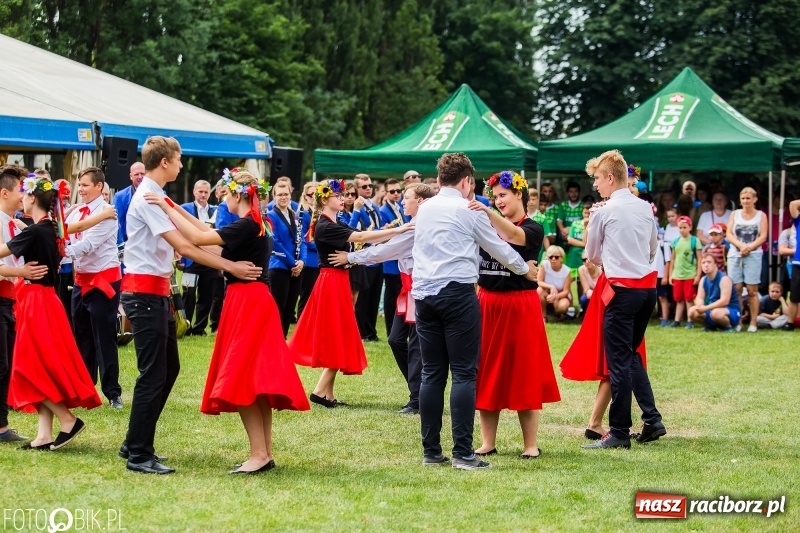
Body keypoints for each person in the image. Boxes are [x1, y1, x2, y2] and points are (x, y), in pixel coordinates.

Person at [145, 168, 309, 474]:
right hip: (255, 301)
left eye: (225, 194)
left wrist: (165, 206)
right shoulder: (257, 222)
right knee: (256, 380)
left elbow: (198, 238)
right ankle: (264, 452)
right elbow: (207, 235)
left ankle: (259, 454)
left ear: (237, 194)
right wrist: (174, 205)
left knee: (242, 377)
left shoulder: (246, 224)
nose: (222, 199)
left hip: (246, 302)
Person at [119, 137, 262, 475]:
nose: (182, 164)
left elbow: (193, 235)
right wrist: (231, 266)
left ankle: (134, 441)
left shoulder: (158, 194)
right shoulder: (148, 197)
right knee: (154, 373)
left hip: (155, 293)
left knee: (168, 369)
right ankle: (138, 453)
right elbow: (186, 245)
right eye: (179, 159)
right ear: (165, 162)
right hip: (144, 294)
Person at [411, 153, 537, 470]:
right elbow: (500, 248)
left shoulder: (425, 209)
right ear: (467, 181)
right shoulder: (469, 209)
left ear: (440, 179)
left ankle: (431, 451)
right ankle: (463, 453)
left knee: (432, 373)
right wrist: (525, 270)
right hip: (457, 295)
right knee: (465, 374)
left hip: (423, 295)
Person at [2, 174, 103, 450]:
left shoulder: (35, 231)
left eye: (24, 194)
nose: (21, 199)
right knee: (40, 364)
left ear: (32, 198)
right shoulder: (52, 228)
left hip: (35, 301)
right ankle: (44, 434)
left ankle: (67, 420)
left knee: (27, 366)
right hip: (46, 300)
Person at [289, 179, 411, 408]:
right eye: (338, 196)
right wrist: (400, 229)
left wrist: (390, 234)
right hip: (331, 282)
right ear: (325, 199)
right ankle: (319, 391)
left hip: (337, 280)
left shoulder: (335, 222)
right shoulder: (326, 225)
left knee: (340, 332)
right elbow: (361, 238)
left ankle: (327, 393)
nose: (343, 199)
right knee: (338, 333)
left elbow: (362, 235)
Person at [467, 171, 560, 460]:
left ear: (519, 194)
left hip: (520, 304)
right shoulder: (487, 224)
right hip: (488, 302)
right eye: (494, 197)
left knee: (524, 371)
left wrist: (486, 211)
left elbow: (513, 235)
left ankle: (530, 444)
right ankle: (487, 442)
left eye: (503, 195)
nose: (498, 201)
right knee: (486, 370)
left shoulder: (534, 228)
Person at [580, 149, 665, 450]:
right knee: (630, 356)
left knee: (618, 362)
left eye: (597, 179)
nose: (595, 185)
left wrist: (611, 259)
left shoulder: (602, 212)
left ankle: (618, 431)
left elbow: (592, 255)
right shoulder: (645, 208)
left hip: (621, 290)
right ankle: (652, 419)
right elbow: (652, 249)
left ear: (610, 178)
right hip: (647, 290)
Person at [328, 184, 436, 415]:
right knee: (396, 339)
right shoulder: (410, 224)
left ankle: (418, 398)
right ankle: (422, 389)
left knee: (416, 346)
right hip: (408, 291)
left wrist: (351, 257)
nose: (402, 201)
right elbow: (386, 245)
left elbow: (384, 252)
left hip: (420, 291)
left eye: (406, 197)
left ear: (420, 201)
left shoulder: (419, 227)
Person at [65, 167, 124, 409]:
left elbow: (88, 244)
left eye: (85, 185)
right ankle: (85, 388)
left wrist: (59, 252)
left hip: (103, 281)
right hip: (81, 281)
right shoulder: (76, 211)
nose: (81, 189)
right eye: (79, 185)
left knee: (104, 337)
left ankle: (112, 392)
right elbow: (63, 233)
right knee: (82, 336)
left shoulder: (108, 213)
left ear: (99, 186)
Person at [0, 166, 51, 444]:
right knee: (2, 364)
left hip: (9, 298)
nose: (23, 195)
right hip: (3, 295)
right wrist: (21, 272)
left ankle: (2, 425)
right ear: (4, 193)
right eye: (19, 190)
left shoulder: (15, 223)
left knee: (6, 364)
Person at [726, 187, 768, 333]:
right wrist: (740, 246)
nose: (745, 201)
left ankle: (753, 322)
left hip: (754, 255)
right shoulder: (735, 214)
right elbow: (729, 234)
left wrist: (748, 248)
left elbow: (763, 236)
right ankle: (738, 321)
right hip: (735, 255)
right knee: (736, 289)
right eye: (743, 198)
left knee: (752, 290)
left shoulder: (761, 215)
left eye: (748, 198)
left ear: (754, 199)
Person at [179, 180, 217, 336]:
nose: (203, 194)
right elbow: (179, 232)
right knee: (188, 293)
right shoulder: (185, 209)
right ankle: (186, 326)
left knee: (207, 294)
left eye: (206, 192)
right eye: (200, 191)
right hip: (191, 259)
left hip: (210, 258)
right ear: (194, 192)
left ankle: (199, 327)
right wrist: (181, 258)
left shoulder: (215, 211)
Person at [267, 183, 306, 337]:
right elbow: (275, 242)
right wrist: (293, 263)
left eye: (286, 194)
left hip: (297, 268)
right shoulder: (270, 216)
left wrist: (302, 261)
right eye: (279, 195)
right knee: (278, 308)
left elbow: (302, 240)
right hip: (279, 266)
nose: (283, 197)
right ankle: (274, 340)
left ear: (290, 195)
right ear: (274, 197)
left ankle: (282, 341)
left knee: (289, 309)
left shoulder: (295, 215)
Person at [351, 174, 384, 340]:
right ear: (357, 189)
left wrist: (382, 232)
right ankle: (362, 332)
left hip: (377, 256)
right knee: (363, 299)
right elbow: (357, 230)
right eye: (364, 186)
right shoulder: (357, 207)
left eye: (370, 185)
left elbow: (376, 226)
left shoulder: (374, 206)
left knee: (374, 297)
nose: (368, 188)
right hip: (365, 254)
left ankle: (371, 332)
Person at [379, 178, 406, 337]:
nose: (396, 194)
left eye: (398, 191)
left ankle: (396, 330)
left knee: (397, 295)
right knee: (391, 298)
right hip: (390, 260)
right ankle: (391, 330)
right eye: (392, 191)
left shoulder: (400, 208)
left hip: (400, 258)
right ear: (386, 193)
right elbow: (382, 235)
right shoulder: (383, 211)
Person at [687, 254, 740, 332]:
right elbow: (700, 297)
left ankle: (729, 327)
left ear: (715, 264)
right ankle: (709, 326)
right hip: (712, 309)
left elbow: (724, 301)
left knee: (716, 313)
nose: (706, 265)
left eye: (709, 262)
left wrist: (705, 308)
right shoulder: (703, 279)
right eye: (703, 263)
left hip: (730, 310)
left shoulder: (724, 279)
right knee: (692, 311)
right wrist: (700, 305)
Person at [667, 216, 702, 328]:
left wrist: (698, 275)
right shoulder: (676, 241)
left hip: (690, 274)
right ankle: (677, 320)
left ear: (690, 227)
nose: (682, 230)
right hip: (677, 275)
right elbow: (673, 259)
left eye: (684, 227)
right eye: (680, 228)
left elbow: (700, 259)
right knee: (678, 299)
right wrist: (671, 275)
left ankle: (690, 320)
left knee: (689, 298)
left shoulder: (695, 241)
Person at [297, 182, 319, 319]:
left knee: (316, 299)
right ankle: (301, 326)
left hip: (319, 261)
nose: (315, 198)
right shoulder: (304, 213)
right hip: (310, 261)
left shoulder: (319, 213)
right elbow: (305, 239)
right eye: (312, 195)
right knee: (306, 298)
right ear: (305, 196)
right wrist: (323, 245)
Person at [537, 245, 573, 321]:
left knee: (563, 306)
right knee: (539, 290)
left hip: (560, 295)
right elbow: (538, 282)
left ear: (561, 258)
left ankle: (557, 314)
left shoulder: (567, 271)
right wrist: (551, 287)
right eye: (550, 257)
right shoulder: (544, 265)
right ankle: (543, 316)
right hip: (546, 293)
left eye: (556, 257)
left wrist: (555, 296)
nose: (553, 259)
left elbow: (566, 291)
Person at [114, 161, 145, 246]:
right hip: (129, 243)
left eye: (142, 174)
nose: (140, 177)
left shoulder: (157, 193)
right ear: (131, 176)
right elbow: (118, 223)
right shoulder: (120, 197)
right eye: (136, 174)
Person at [780, 199, 800, 329]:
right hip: (798, 262)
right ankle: (790, 322)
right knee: (794, 295)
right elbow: (793, 204)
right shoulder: (798, 220)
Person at [531, 195, 557, 264]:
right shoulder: (527, 216)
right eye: (541, 204)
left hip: (541, 250)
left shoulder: (549, 218)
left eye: (545, 205)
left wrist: (545, 233)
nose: (543, 207)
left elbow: (551, 239)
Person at [556, 181, 582, 245]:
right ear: (567, 193)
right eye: (571, 192)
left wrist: (571, 230)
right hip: (565, 237)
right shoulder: (563, 205)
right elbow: (559, 221)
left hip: (579, 236)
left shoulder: (583, 206)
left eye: (576, 191)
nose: (573, 194)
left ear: (579, 192)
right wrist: (563, 231)